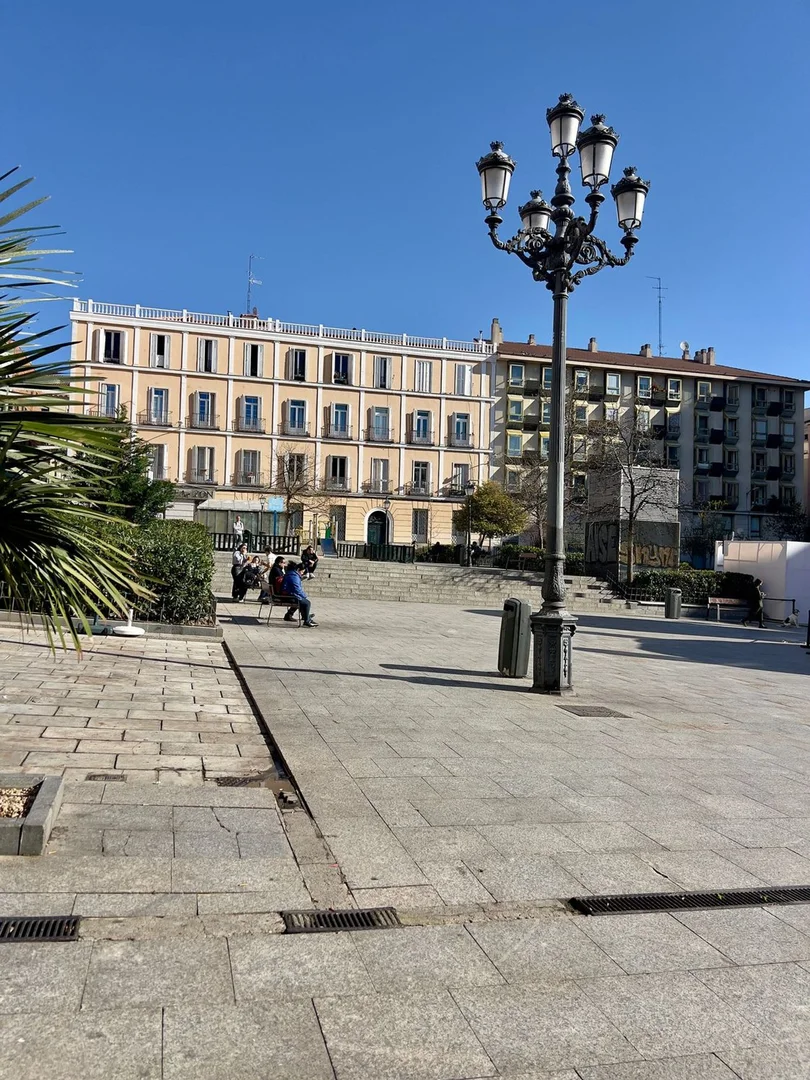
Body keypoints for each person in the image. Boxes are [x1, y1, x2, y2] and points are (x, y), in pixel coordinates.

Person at [281, 562, 318, 627]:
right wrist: (304, 596)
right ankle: (306, 620)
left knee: (302, 601)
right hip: (289, 596)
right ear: (298, 569)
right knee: (307, 603)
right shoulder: (293, 576)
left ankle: (306, 617)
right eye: (302, 571)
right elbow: (296, 589)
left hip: (289, 594)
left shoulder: (291, 574)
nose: (302, 573)